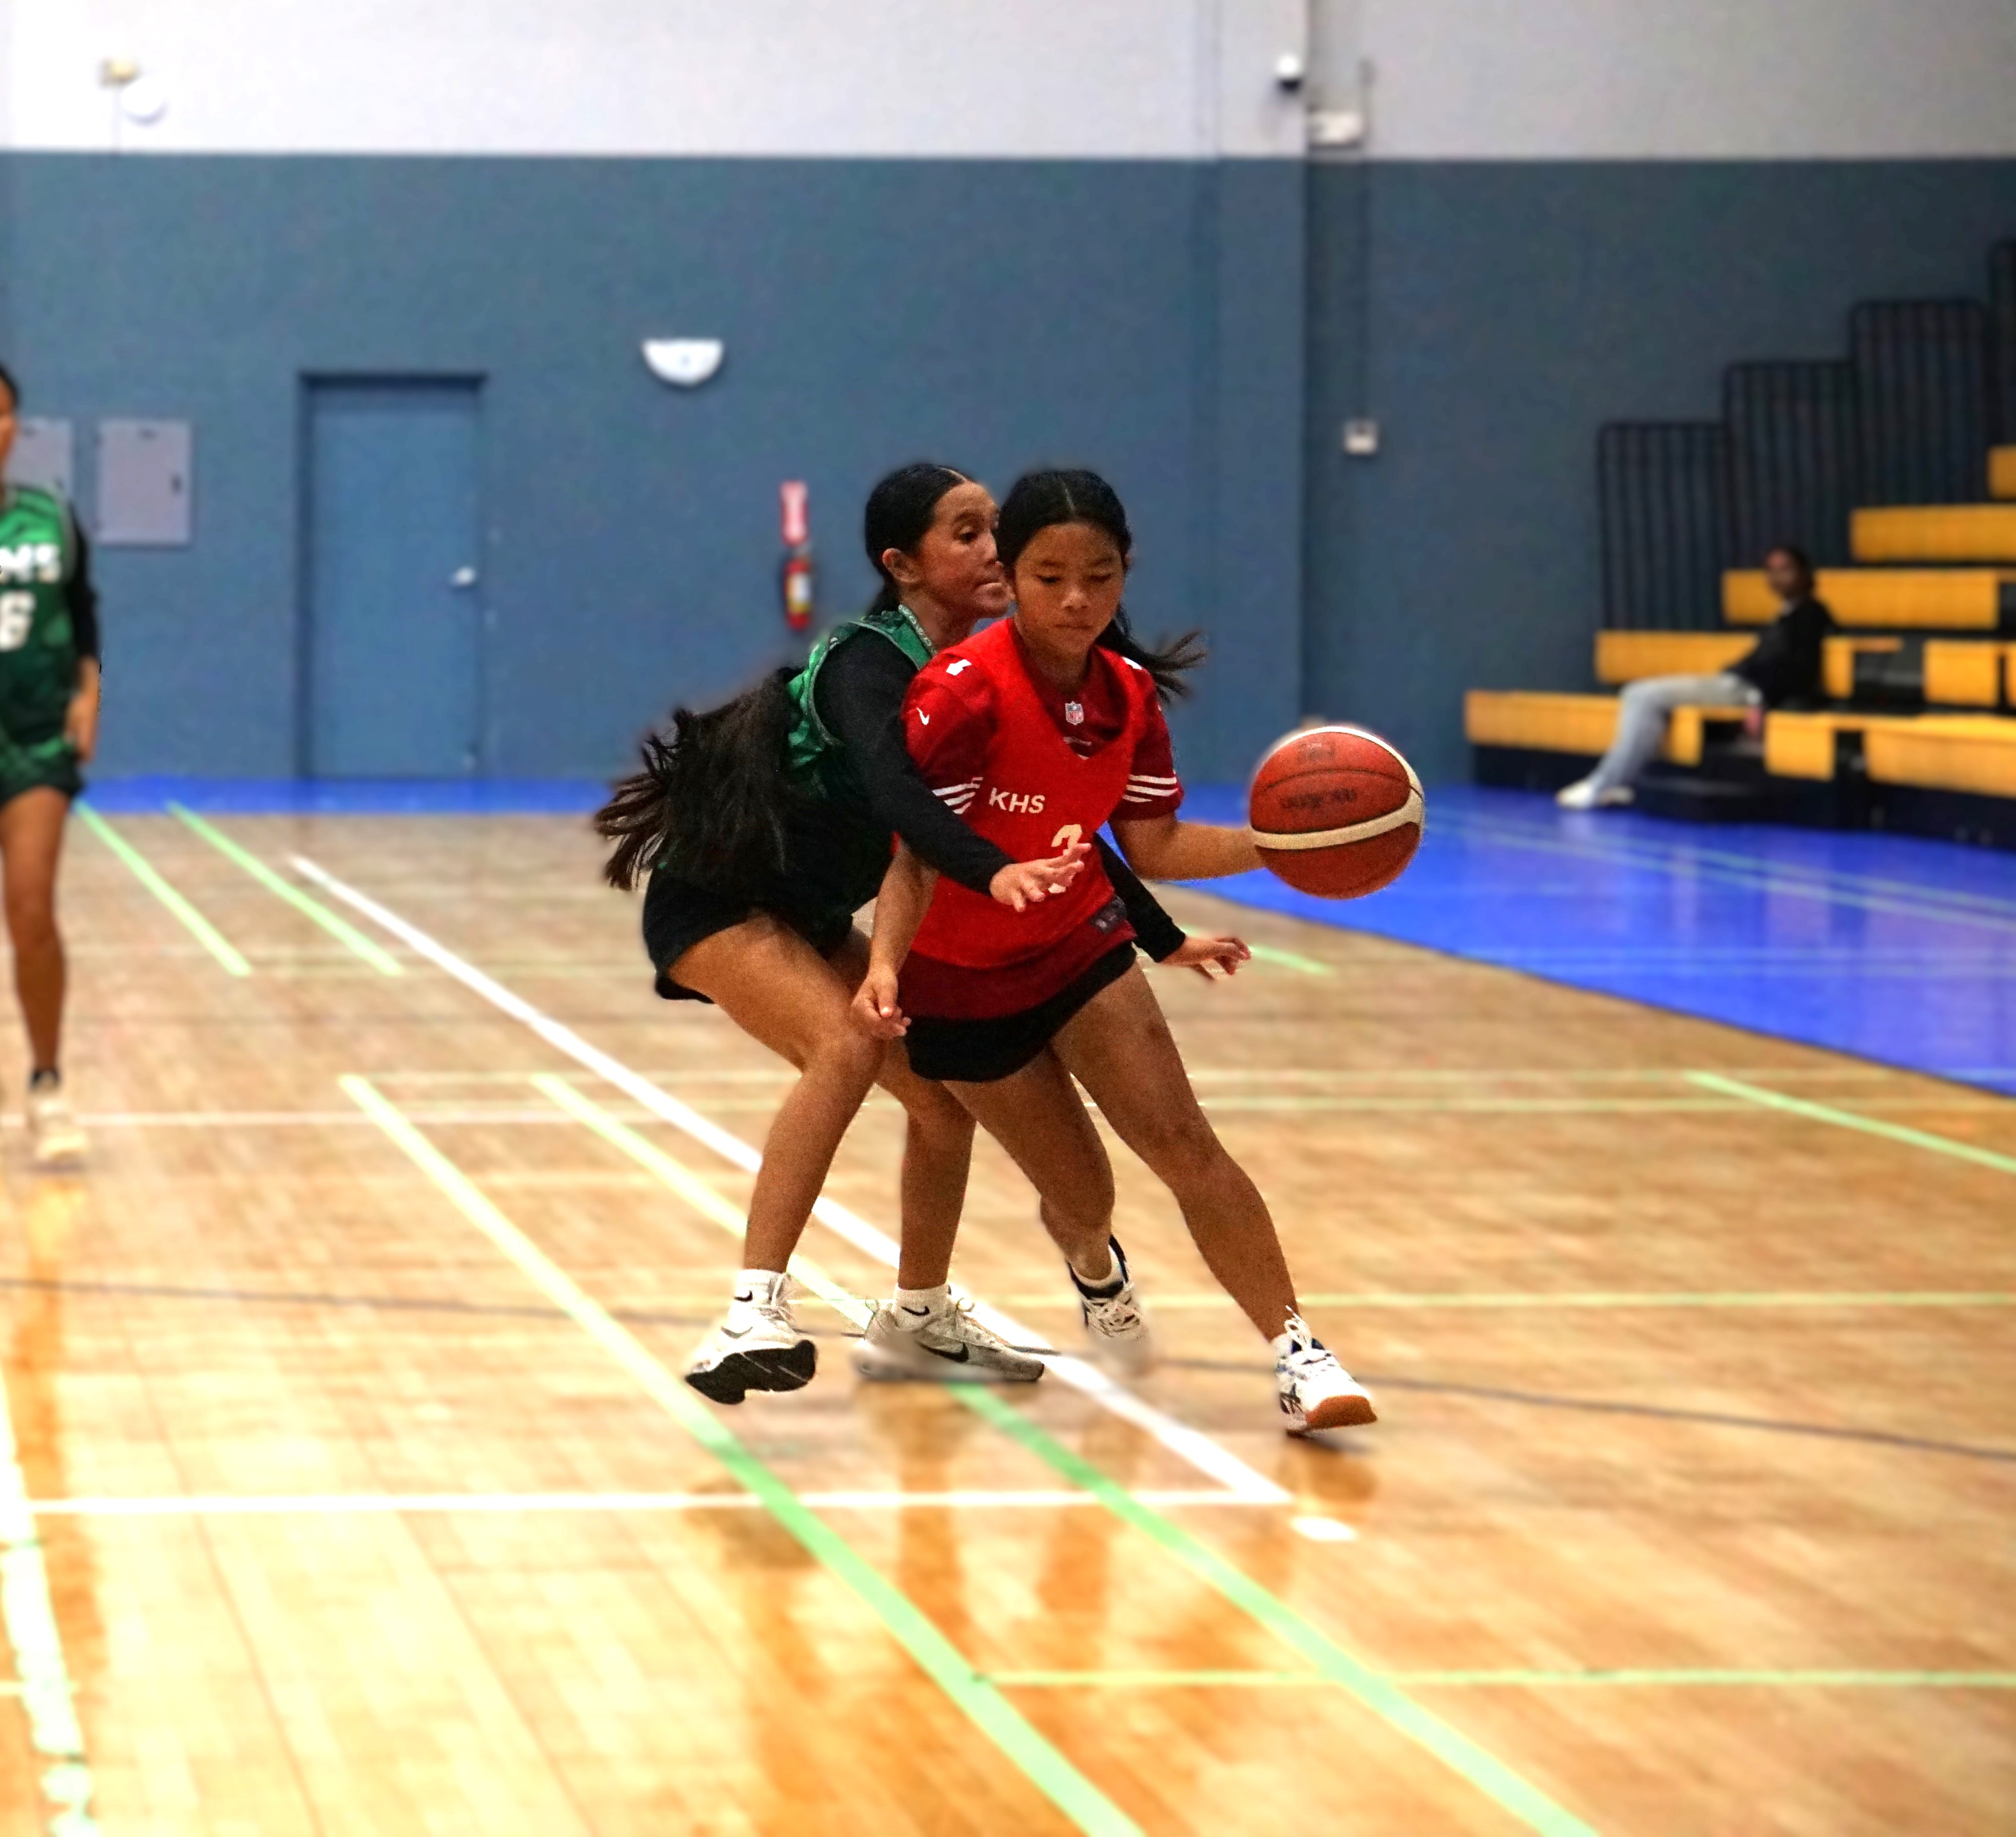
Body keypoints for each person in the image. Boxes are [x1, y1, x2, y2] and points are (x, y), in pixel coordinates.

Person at [596, 463, 1240, 1405]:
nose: (994, 548)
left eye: (995, 531)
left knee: (940, 1097)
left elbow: (1071, 817)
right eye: (967, 532)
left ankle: (917, 1314)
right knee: (850, 1042)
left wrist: (1158, 932)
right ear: (903, 564)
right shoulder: (869, 663)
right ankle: (751, 1311)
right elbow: (903, 800)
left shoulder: (992, 677)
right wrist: (990, 871)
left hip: (810, 913)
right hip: (720, 901)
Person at [853, 468, 1376, 1435]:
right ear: (1011, 575)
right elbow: (917, 853)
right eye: (1050, 576)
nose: (1077, 599)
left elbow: (1154, 845)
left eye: (1098, 575)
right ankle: (1095, 1264)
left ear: (1124, 572)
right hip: (962, 984)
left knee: (1184, 1144)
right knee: (1083, 1192)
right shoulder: (962, 692)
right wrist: (884, 965)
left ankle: (1300, 1350)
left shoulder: (1127, 692)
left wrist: (1284, 843)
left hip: (1076, 943)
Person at [0, 363, 98, 1167]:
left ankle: (48, 1081)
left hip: (33, 741)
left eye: (1, 414)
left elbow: (86, 616)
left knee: (30, 907)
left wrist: (88, 695)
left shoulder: (50, 518)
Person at [1558, 544, 1836, 810]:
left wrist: (1758, 699)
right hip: (1735, 681)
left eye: (1786, 569)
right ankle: (1617, 779)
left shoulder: (1811, 615)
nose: (1777, 577)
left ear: (1804, 573)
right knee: (1642, 695)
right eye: (1771, 571)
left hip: (1745, 690)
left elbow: (1797, 670)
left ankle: (1604, 783)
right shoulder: (1785, 614)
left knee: (1642, 694)